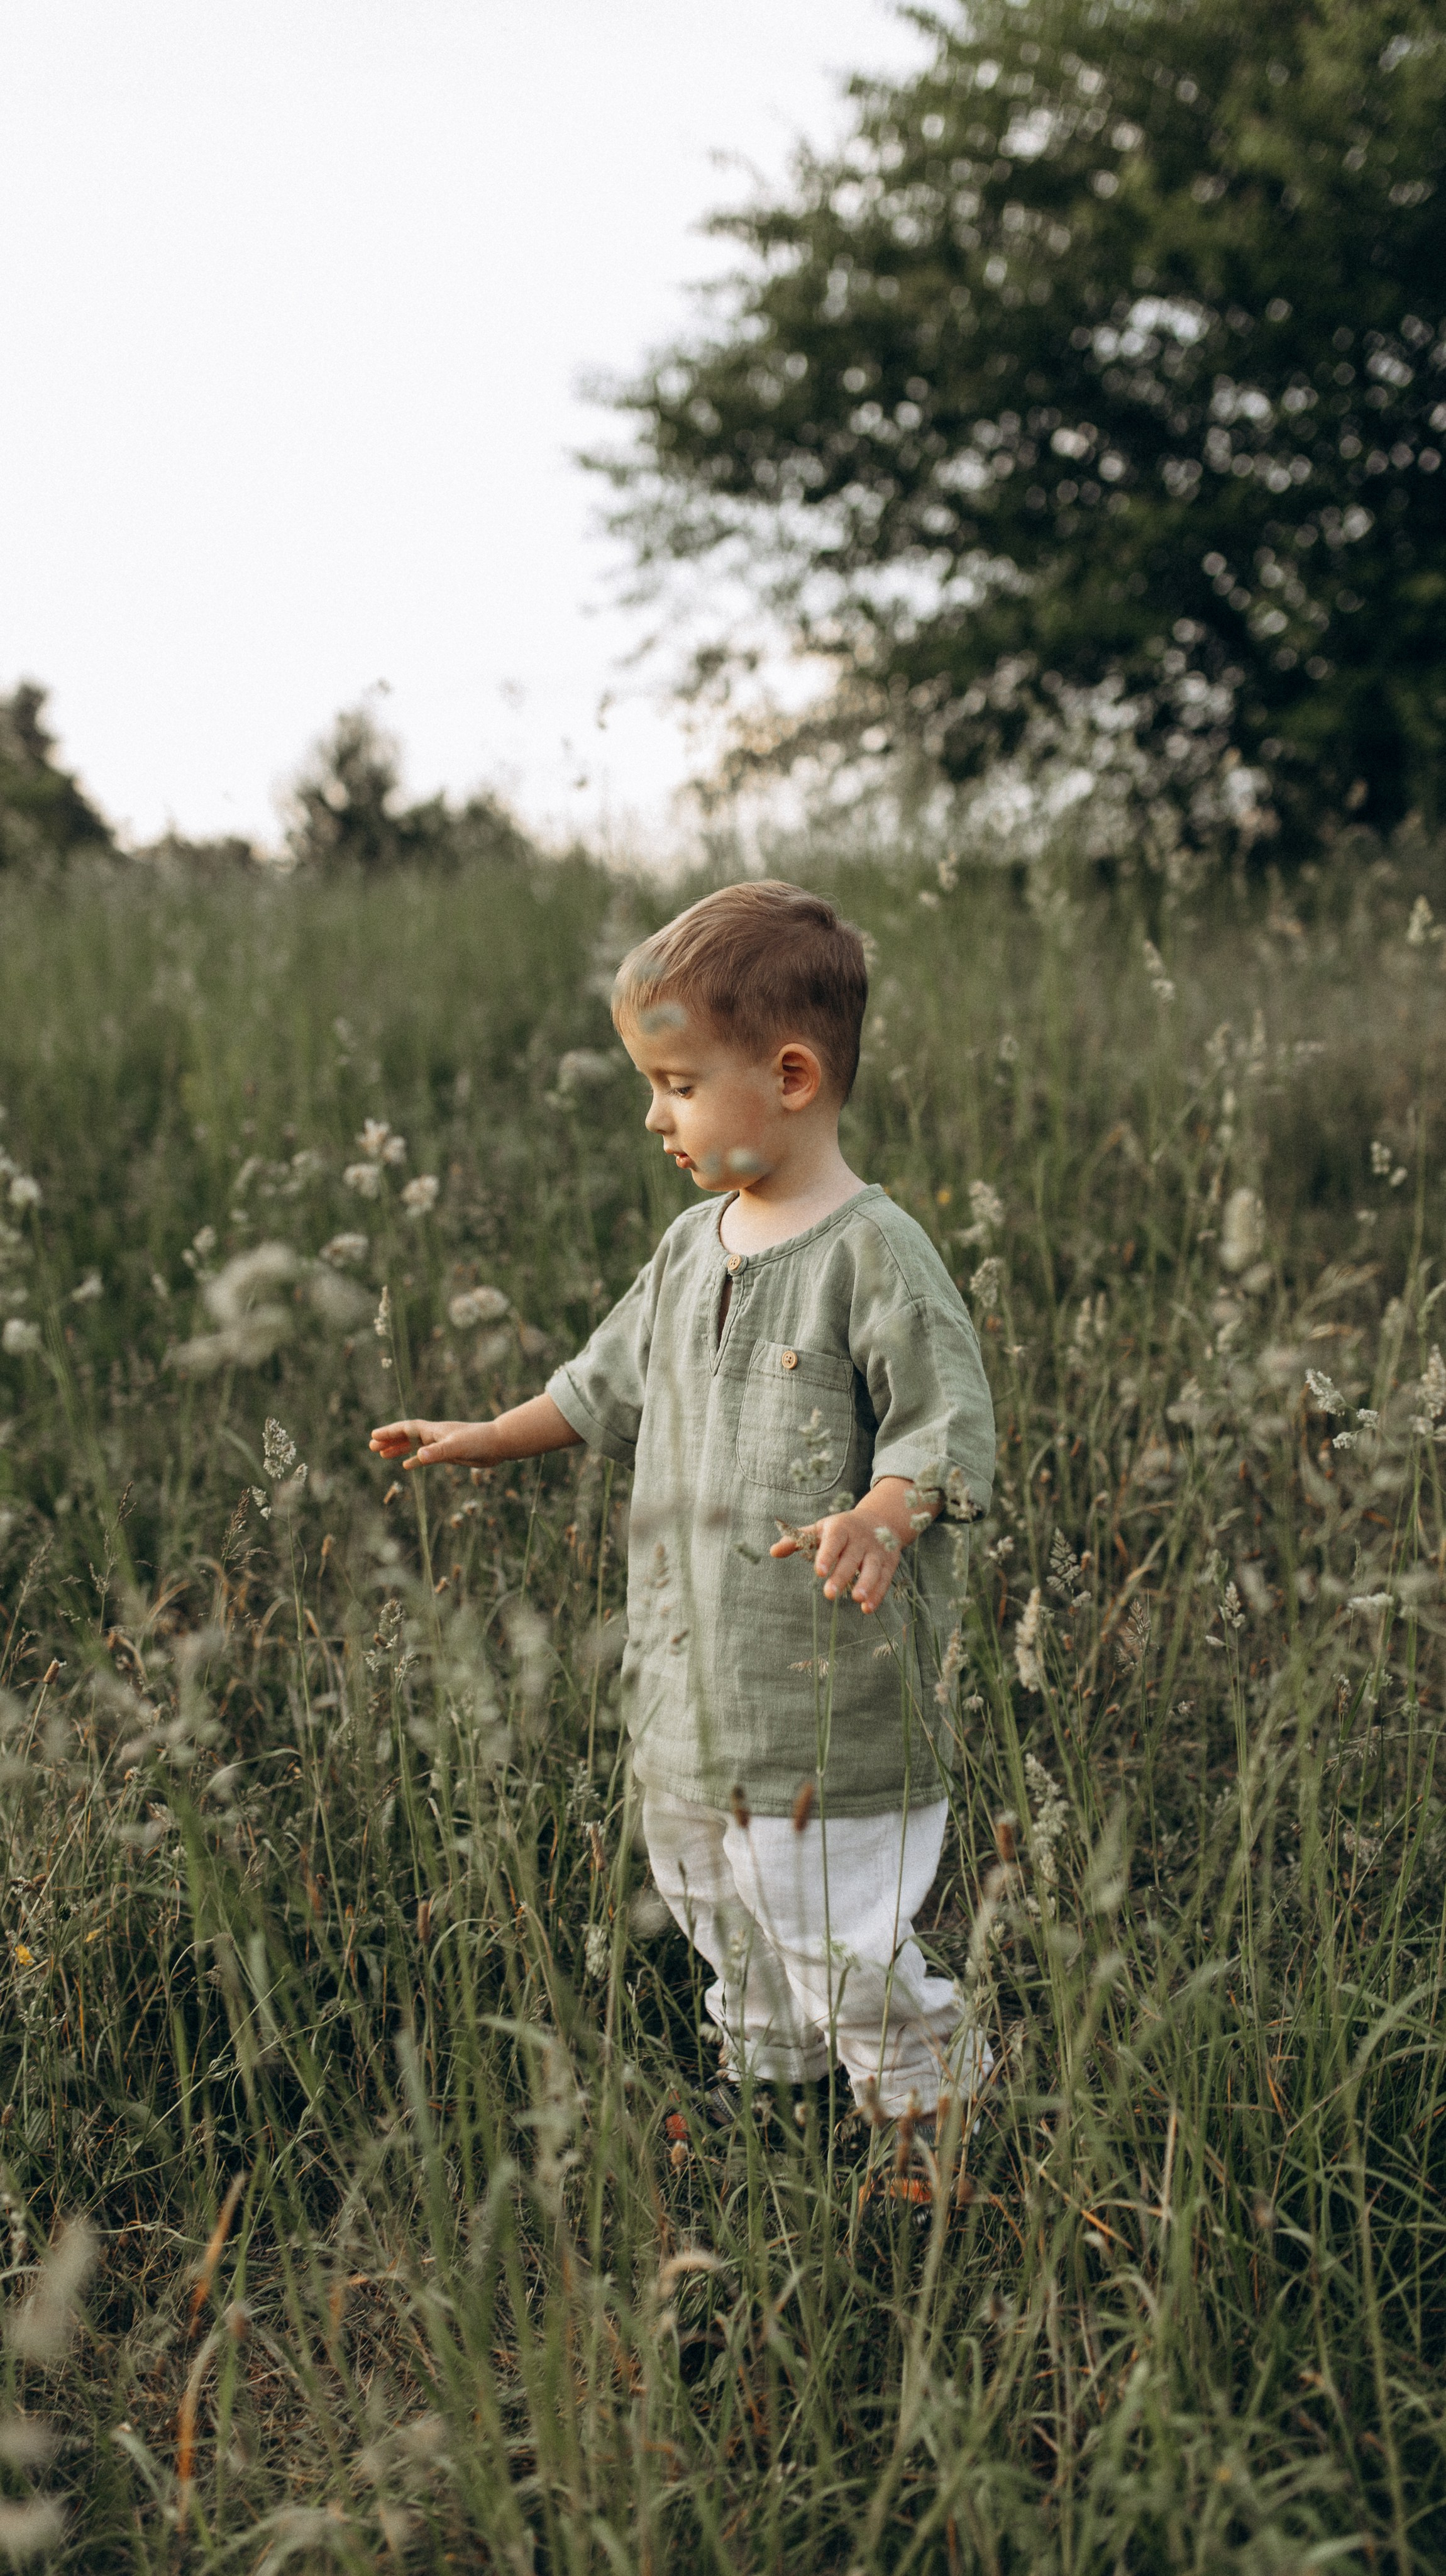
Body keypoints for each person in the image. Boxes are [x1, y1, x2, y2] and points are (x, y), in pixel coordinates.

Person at [370, 880, 996, 2145]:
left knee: (830, 1915)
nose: (655, 1115)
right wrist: (488, 1434)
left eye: (676, 1083)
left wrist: (882, 1507)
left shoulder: (875, 1256)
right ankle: (768, 2069)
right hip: (693, 1677)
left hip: (826, 1696)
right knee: (710, 1887)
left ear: (791, 1074)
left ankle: (928, 2101)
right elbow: (605, 1380)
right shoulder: (689, 1243)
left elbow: (947, 1426)